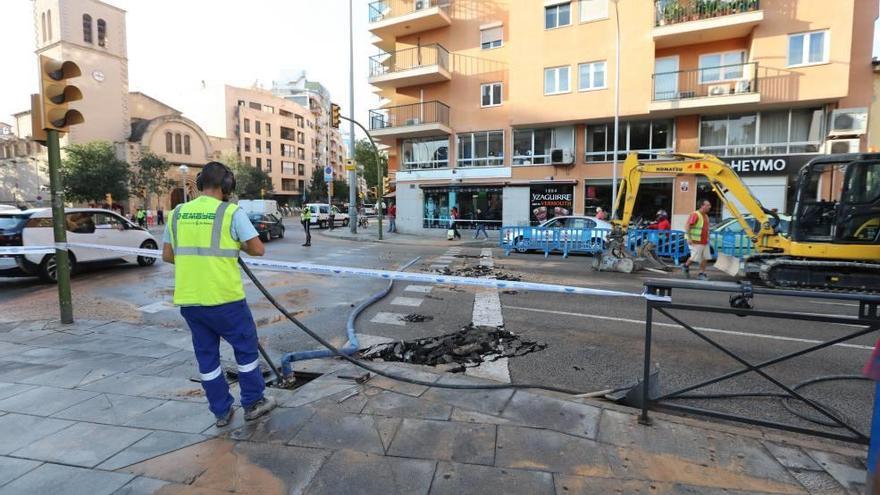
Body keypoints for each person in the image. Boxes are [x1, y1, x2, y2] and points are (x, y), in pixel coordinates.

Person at [162, 162, 276, 427]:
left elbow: (168, 256)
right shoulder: (230, 213)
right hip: (226, 299)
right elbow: (258, 249)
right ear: (226, 187)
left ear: (200, 184)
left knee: (207, 358)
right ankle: (253, 402)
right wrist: (236, 245)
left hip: (191, 301)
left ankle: (221, 412)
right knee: (245, 352)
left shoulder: (177, 213)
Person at [683, 200, 712, 280]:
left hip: (704, 241)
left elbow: (705, 228)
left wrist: (708, 237)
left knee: (705, 257)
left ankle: (701, 273)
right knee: (694, 257)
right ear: (702, 206)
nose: (710, 207)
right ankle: (685, 266)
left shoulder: (706, 216)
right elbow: (687, 226)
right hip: (695, 241)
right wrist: (689, 238)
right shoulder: (695, 214)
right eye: (708, 205)